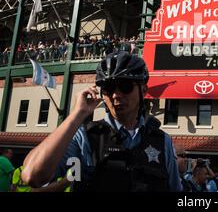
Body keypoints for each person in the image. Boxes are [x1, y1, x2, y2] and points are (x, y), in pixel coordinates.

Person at [21, 51, 181, 192]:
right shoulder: (85, 136)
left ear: (144, 91)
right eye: (109, 88)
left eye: (125, 87)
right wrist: (77, 114)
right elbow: (33, 176)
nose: (116, 95)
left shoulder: (162, 141)